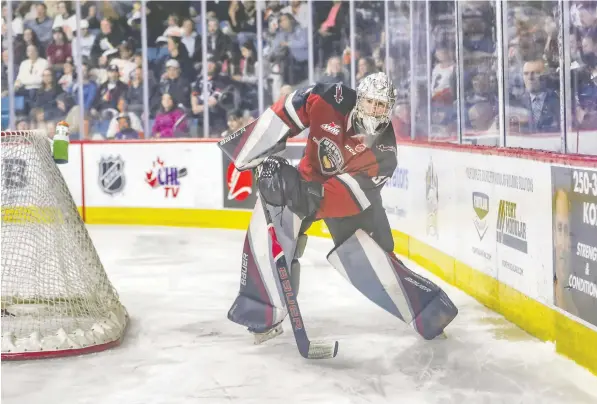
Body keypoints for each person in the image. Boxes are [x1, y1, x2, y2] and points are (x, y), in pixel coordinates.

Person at [221, 72, 457, 345]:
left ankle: (430, 311)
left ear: (389, 109)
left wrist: (297, 193)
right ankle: (261, 315)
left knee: (372, 261)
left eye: (382, 105)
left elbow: (345, 197)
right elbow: (284, 113)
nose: (375, 110)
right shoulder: (329, 98)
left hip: (348, 204)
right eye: (370, 102)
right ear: (360, 98)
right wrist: (252, 153)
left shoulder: (385, 153)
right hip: (308, 179)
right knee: (268, 222)